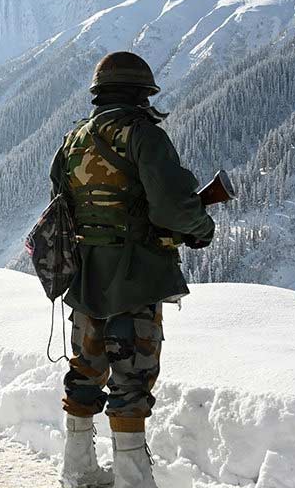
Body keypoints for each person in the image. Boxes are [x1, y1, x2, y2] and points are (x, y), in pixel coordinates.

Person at [51, 52, 215, 488]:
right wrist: (201, 228)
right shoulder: (144, 135)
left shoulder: (73, 140)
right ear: (143, 93)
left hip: (85, 277)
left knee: (85, 369)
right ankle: (132, 479)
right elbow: (173, 206)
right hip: (135, 278)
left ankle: (77, 470)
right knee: (132, 378)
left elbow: (60, 207)